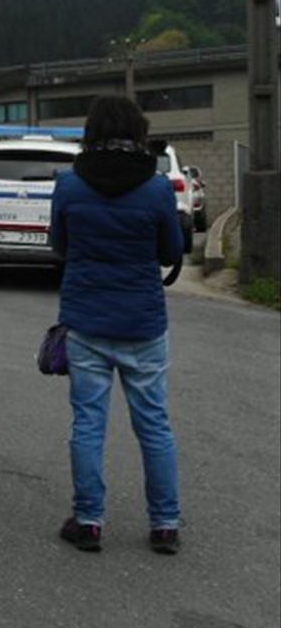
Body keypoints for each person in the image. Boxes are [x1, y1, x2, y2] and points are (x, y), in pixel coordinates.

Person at [49, 96, 183, 555]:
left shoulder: (69, 186)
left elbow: (58, 245)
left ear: (91, 132)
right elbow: (170, 252)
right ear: (138, 131)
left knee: (88, 423)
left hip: (86, 321)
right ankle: (165, 525)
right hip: (143, 323)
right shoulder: (159, 188)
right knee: (154, 425)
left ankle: (88, 521)